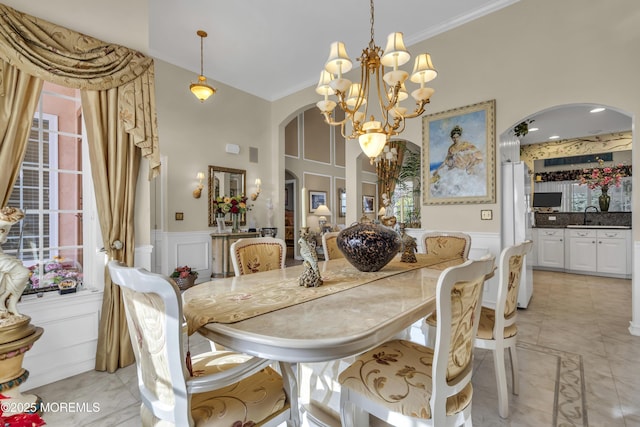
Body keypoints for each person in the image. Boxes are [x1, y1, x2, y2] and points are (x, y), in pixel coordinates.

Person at [0, 207, 29, 317]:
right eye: (17, 219)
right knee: (23, 273)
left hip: (1, 255)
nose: (16, 222)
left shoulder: (5, 225)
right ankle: (4, 300)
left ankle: (10, 303)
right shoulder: (3, 224)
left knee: (20, 270)